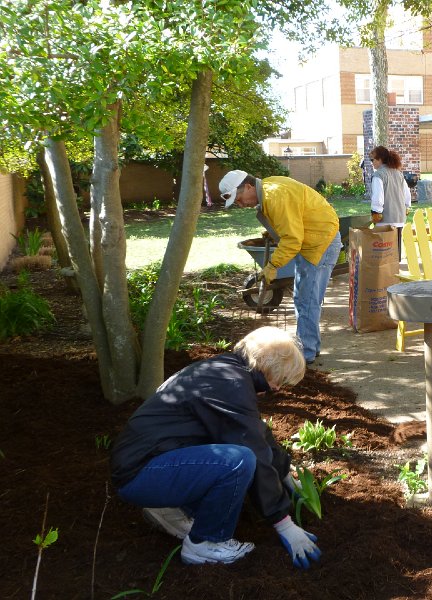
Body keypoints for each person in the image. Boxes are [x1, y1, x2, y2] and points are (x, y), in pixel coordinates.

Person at [110, 327, 321, 568]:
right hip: (141, 473)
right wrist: (284, 523)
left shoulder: (225, 372)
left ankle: (170, 508)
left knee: (237, 458)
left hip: (146, 462)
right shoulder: (231, 383)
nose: (278, 388)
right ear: (267, 365)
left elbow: (257, 432)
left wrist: (284, 473)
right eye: (280, 379)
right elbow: (252, 448)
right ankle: (205, 544)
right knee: (238, 461)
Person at [219, 171, 342, 365]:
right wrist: (275, 231)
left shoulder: (275, 196)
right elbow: (292, 219)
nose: (241, 204)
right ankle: (310, 346)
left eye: (239, 199)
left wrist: (273, 265)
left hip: (320, 242)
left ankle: (305, 354)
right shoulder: (270, 187)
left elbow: (292, 240)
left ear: (249, 186)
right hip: (314, 238)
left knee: (307, 299)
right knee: (304, 298)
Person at [368, 146, 411, 258]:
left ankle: (386, 275)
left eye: (372, 160)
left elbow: (378, 197)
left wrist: (375, 212)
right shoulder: (398, 173)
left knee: (384, 256)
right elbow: (407, 194)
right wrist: (407, 207)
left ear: (380, 159)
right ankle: (395, 273)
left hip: (385, 221)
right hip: (400, 218)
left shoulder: (378, 175)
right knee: (396, 254)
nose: (372, 163)